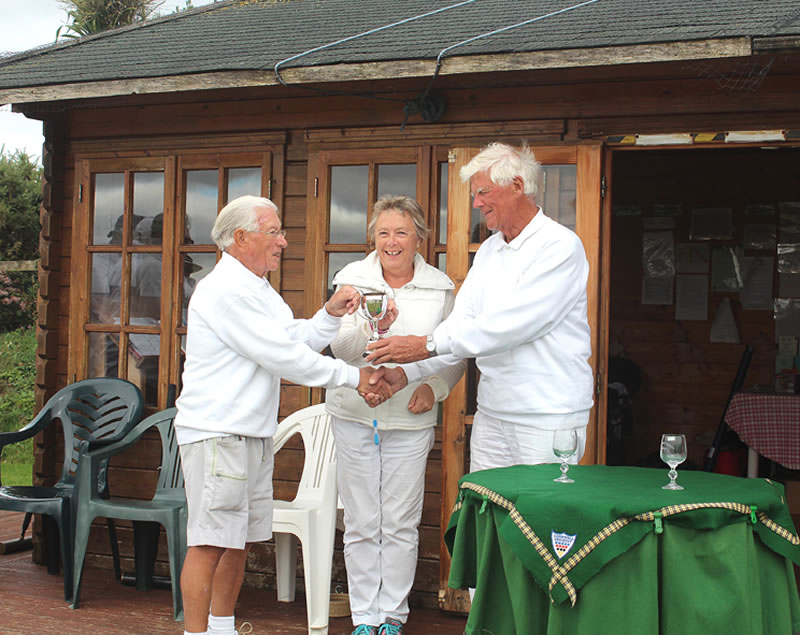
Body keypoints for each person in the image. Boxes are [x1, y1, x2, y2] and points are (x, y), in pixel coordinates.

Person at [174, 195, 388, 635]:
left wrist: (329, 314)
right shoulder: (225, 292)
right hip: (218, 434)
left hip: (249, 433)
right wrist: (354, 376)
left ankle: (221, 628)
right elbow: (282, 357)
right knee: (210, 542)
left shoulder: (256, 287)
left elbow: (294, 338)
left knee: (238, 540)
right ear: (240, 238)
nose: (283, 242)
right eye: (273, 232)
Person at [366, 142, 594, 473]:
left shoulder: (560, 247)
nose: (476, 203)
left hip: (548, 418)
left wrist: (422, 346)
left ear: (517, 186)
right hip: (492, 414)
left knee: (537, 522)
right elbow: (460, 328)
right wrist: (404, 374)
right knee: (489, 519)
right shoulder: (488, 251)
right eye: (475, 194)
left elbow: (512, 326)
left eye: (484, 192)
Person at [325, 195, 465, 635]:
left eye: (401, 232)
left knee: (401, 522)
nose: (392, 241)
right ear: (373, 236)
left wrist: (433, 387)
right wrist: (369, 328)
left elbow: (455, 353)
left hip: (410, 417)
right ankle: (365, 618)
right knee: (362, 520)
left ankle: (392, 618)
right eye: (383, 232)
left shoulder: (441, 288)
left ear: (419, 237)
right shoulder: (350, 278)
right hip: (353, 412)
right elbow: (340, 349)